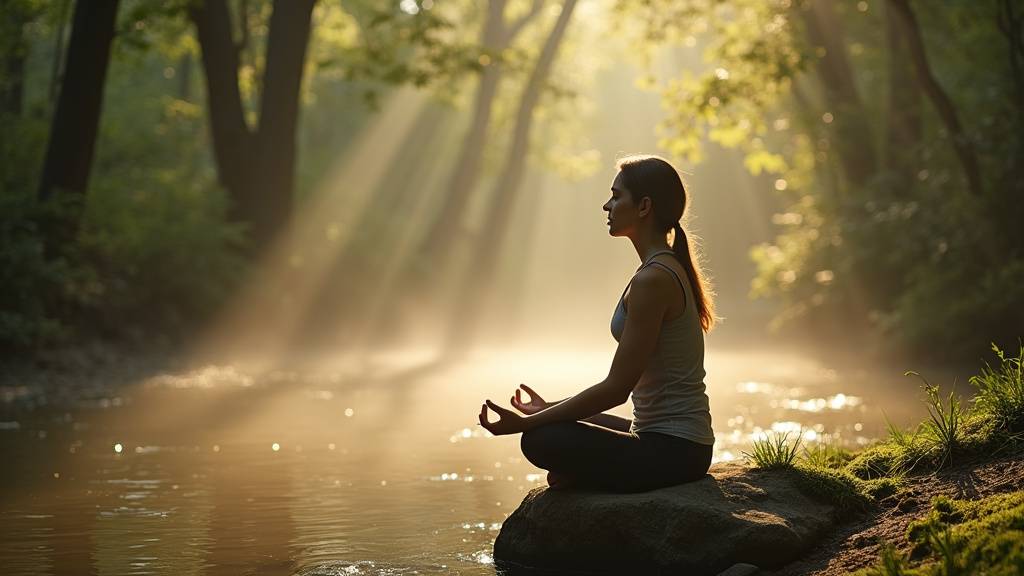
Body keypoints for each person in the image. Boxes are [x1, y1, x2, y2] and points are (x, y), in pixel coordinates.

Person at [477, 154, 717, 493]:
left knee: (539, 438)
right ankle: (587, 472)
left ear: (644, 206)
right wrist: (549, 406)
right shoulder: (658, 269)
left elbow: (617, 389)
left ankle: (587, 474)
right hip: (663, 440)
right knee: (556, 426)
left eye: (617, 196)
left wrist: (527, 421)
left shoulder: (654, 279)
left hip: (676, 451)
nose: (607, 205)